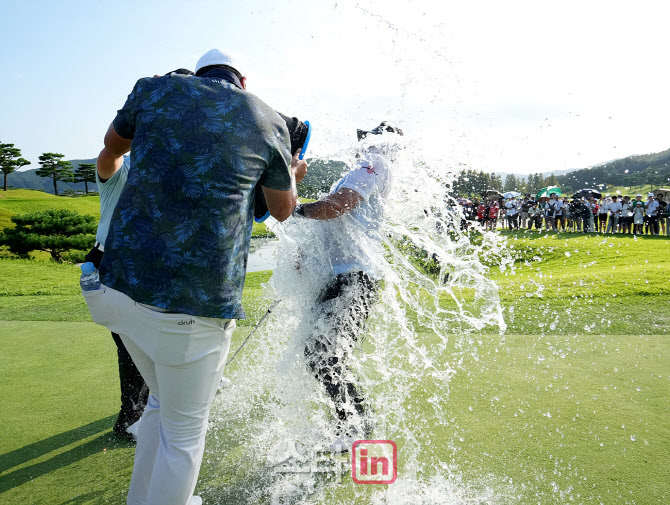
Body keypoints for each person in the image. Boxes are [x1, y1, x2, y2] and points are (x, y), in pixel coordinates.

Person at [87, 49, 307, 505]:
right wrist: (294, 174)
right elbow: (282, 212)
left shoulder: (153, 88)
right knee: (184, 433)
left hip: (115, 292)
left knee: (160, 406)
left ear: (201, 71)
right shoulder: (269, 119)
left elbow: (111, 149)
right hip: (194, 311)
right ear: (242, 80)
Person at [293, 121, 403, 450]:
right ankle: (353, 421)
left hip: (355, 277)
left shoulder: (375, 163)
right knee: (321, 352)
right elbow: (337, 215)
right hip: (344, 275)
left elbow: (339, 204)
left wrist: (294, 209)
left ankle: (354, 424)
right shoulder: (365, 166)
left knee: (321, 353)